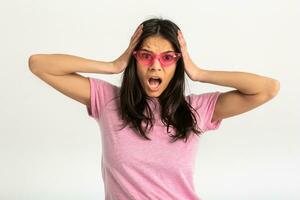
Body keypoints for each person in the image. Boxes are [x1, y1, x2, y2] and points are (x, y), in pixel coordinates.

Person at [28, 17, 280, 200]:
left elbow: (268, 88)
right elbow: (39, 64)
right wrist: (114, 64)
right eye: (146, 56)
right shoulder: (108, 100)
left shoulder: (196, 109)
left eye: (168, 58)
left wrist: (199, 72)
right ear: (134, 58)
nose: (156, 66)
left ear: (177, 64)